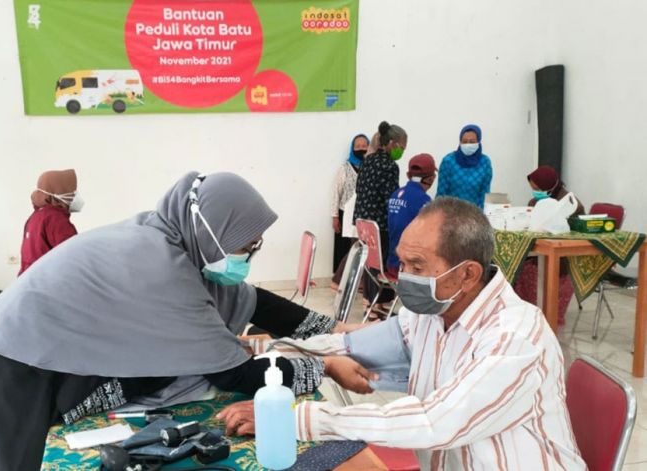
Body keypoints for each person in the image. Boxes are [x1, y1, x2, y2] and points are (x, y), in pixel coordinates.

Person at [0, 172, 366, 471]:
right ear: (211, 230)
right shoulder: (162, 269)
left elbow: (256, 302)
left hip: (25, 358)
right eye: (244, 245)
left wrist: (333, 330)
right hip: (0, 372)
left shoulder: (169, 236)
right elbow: (235, 373)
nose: (248, 257)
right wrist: (325, 366)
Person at [218, 198, 587, 470]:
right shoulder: (432, 313)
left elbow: (434, 422)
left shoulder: (516, 338)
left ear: (468, 274)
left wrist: (301, 419)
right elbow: (349, 345)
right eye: (402, 262)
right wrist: (263, 348)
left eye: (417, 266)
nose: (403, 277)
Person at [514, 165, 585, 325]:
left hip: (563, 258)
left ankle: (548, 316)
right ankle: (527, 314)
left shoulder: (570, 203)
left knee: (532, 271)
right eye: (533, 188)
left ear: (549, 185)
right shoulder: (535, 201)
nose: (535, 192)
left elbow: (577, 232)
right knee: (516, 268)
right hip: (538, 253)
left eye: (538, 188)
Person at [353, 121, 407, 313]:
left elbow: (358, 189)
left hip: (363, 222)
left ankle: (370, 300)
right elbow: (390, 199)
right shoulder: (390, 166)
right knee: (382, 261)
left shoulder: (367, 160)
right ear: (392, 143)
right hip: (380, 223)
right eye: (402, 147)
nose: (401, 152)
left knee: (370, 262)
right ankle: (379, 304)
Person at [19, 169, 82, 275]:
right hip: (49, 283)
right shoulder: (56, 220)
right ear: (58, 192)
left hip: (29, 280)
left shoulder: (36, 216)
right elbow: (72, 257)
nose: (75, 196)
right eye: (72, 192)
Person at [386, 153, 437, 275]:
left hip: (391, 263)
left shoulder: (395, 194)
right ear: (431, 179)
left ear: (408, 175)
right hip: (407, 268)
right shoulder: (424, 200)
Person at [331, 134, 369, 285]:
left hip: (363, 214)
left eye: (364, 146)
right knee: (345, 249)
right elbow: (336, 192)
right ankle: (341, 281)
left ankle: (359, 281)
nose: (361, 149)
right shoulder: (344, 169)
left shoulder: (370, 168)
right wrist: (334, 216)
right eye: (357, 146)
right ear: (352, 148)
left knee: (361, 249)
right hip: (344, 213)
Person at [436, 124, 492, 209]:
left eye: (472, 141)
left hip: (473, 214)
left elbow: (484, 194)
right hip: (450, 213)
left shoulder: (485, 163)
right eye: (464, 141)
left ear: (478, 142)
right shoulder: (448, 161)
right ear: (460, 142)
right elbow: (441, 194)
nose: (468, 144)